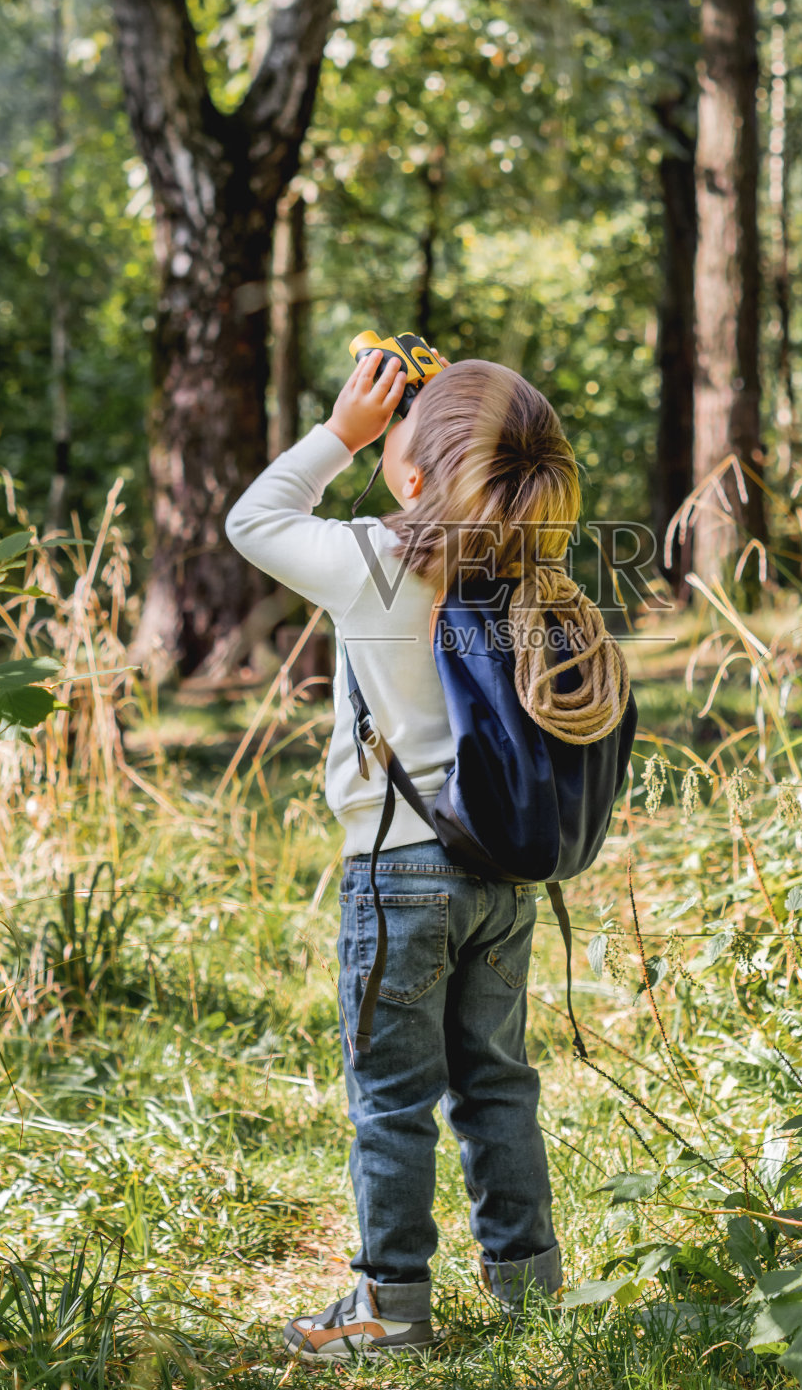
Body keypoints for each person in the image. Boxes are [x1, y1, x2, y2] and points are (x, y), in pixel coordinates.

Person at [225, 350, 583, 1361]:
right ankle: (532, 1295)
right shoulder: (528, 568)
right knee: (498, 1083)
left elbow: (253, 520)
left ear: (417, 476)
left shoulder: (373, 557)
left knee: (392, 1100)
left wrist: (342, 431)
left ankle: (390, 1311)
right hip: (505, 875)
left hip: (401, 876)